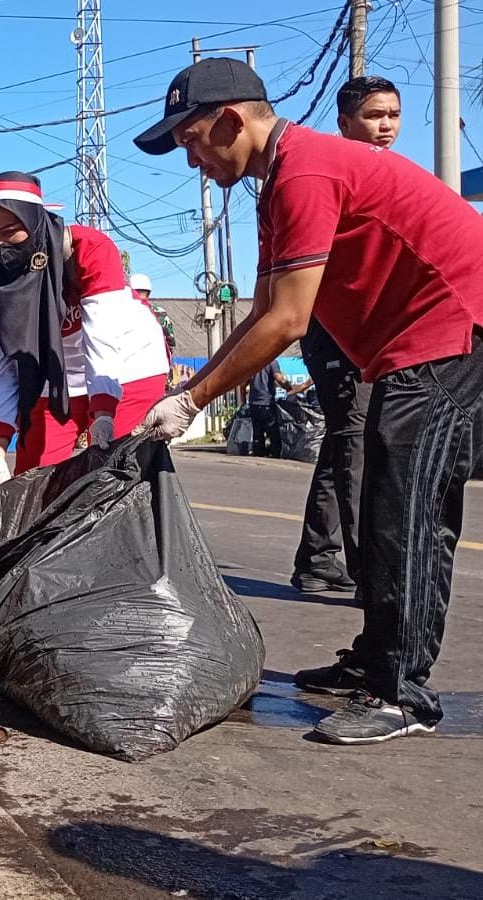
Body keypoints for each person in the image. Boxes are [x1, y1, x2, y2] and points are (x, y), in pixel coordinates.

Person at [133, 58, 483, 744]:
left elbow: (288, 323)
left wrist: (195, 399)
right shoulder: (280, 183)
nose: (193, 162)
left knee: (405, 514)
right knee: (382, 501)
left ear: (230, 120)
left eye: (193, 143)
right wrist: (187, 393)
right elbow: (262, 308)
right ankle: (377, 662)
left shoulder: (307, 172)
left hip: (453, 328)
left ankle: (401, 694)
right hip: (411, 344)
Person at [0, 171, 170, 492]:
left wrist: (103, 412)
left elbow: (102, 336)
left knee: (114, 481)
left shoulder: (87, 249)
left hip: (126, 368)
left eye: (11, 231)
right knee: (33, 485)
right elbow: (5, 369)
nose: (0, 244)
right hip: (51, 381)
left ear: (35, 221)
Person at [289, 76, 399, 595]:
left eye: (393, 115)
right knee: (356, 445)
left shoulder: (388, 175)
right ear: (344, 123)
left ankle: (317, 558)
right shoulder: (330, 174)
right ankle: (368, 576)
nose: (386, 126)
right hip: (334, 332)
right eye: (374, 115)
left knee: (344, 445)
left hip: (372, 333)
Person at [246, 358, 295, 458]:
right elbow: (279, 378)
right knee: (273, 431)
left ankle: (259, 453)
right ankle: (275, 453)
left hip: (254, 402)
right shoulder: (271, 361)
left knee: (257, 431)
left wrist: (244, 400)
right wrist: (291, 389)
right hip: (267, 402)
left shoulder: (253, 362)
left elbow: (244, 382)